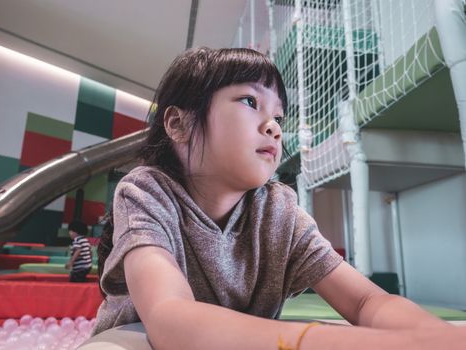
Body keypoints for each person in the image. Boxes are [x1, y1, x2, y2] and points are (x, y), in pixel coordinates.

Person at [93, 47, 465, 349]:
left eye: (279, 118)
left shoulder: (279, 211)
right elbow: (168, 317)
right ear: (179, 124)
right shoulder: (147, 192)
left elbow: (367, 301)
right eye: (250, 102)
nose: (273, 126)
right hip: (142, 338)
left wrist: (435, 336)